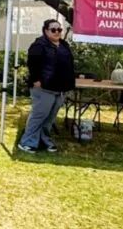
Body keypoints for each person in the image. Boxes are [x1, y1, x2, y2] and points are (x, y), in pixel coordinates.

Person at [19, 19, 75, 153]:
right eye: (53, 30)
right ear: (46, 31)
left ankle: (44, 141)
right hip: (44, 88)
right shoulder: (39, 45)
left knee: (50, 118)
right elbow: (32, 64)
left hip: (59, 88)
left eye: (59, 30)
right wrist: (36, 80)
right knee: (39, 115)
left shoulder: (63, 45)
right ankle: (27, 142)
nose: (57, 32)